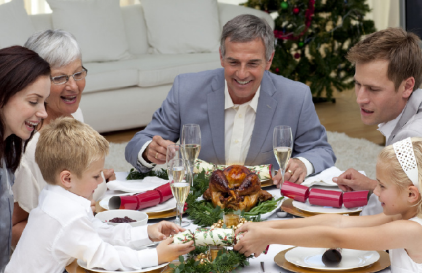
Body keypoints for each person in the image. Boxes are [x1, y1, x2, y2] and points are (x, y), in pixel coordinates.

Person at [1, 118, 194, 273]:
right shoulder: (68, 214)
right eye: (95, 176)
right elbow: (105, 256)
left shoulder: (56, 195)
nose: (100, 181)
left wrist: (146, 233)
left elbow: (96, 230)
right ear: (67, 178)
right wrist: (155, 255)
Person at [125, 14, 336, 187]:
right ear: (221, 57)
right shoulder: (186, 89)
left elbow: (321, 150)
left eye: (253, 63)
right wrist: (149, 151)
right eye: (233, 62)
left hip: (268, 200)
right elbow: (138, 143)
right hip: (201, 198)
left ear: (269, 60)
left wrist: (302, 163)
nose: (242, 74)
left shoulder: (296, 96)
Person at [235, 136, 422, 273]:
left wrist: (270, 237)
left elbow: (335, 237)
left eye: (382, 186)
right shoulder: (401, 214)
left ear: (411, 194)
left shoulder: (411, 230)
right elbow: (339, 223)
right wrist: (267, 227)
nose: (376, 191)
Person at [11, 30, 115, 246]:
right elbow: (12, 230)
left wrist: (92, 175)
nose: (73, 86)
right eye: (59, 78)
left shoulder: (73, 113)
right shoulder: (29, 148)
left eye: (78, 74)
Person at [332, 28, 422, 215]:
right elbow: (413, 197)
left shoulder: (409, 140)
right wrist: (374, 185)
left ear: (407, 86)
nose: (360, 99)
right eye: (358, 84)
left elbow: (387, 220)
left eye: (373, 89)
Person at [0, 45, 50, 273]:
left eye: (44, 102)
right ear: (0, 96)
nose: (43, 113)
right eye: (33, 101)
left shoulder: (8, 150)